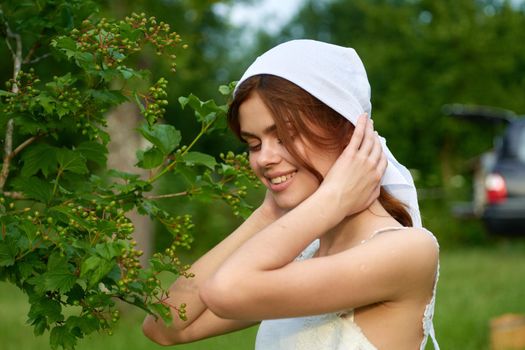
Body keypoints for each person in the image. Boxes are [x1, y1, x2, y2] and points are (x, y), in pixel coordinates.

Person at [142, 39, 440, 350]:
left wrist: (334, 198)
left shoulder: (408, 250)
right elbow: (164, 324)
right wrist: (267, 214)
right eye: (253, 144)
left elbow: (225, 290)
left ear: (350, 132)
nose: (263, 159)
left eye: (283, 136)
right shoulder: (300, 258)